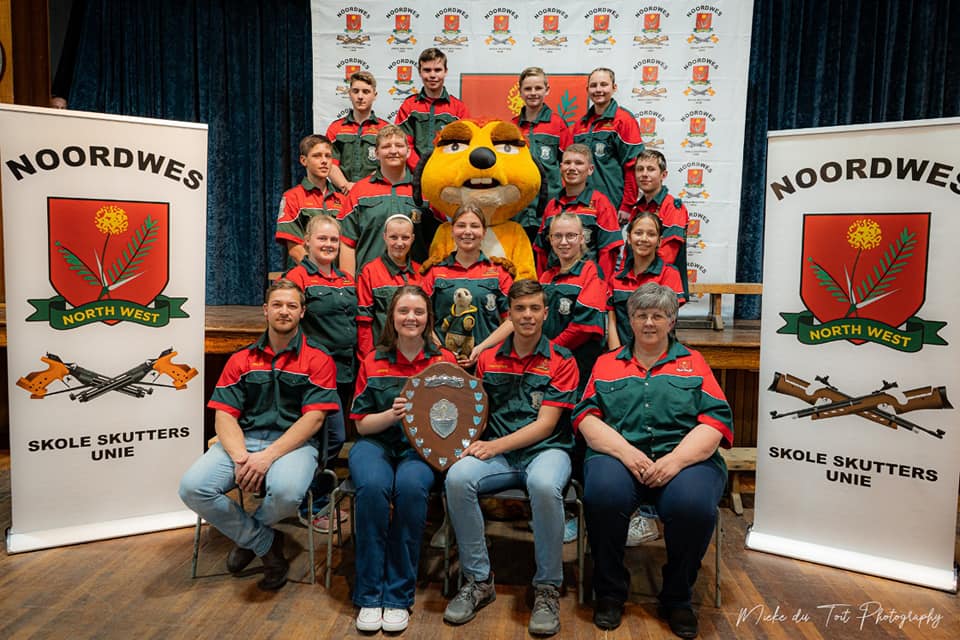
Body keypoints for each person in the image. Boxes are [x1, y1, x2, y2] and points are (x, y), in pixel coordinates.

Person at [574, 282, 733, 637]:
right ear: (630, 319)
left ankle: (677, 597)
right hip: (620, 455)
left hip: (684, 458)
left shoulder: (694, 363)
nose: (649, 323)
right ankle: (610, 592)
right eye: (641, 315)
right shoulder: (606, 364)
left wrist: (675, 461)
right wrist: (627, 453)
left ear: (671, 321)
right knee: (603, 496)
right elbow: (586, 417)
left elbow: (715, 422)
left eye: (658, 316)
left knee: (693, 506)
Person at [178, 279, 339, 591]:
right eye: (277, 305)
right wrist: (242, 458)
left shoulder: (318, 359)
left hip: (294, 444)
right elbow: (224, 414)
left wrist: (265, 458)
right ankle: (264, 541)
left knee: (287, 493)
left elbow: (314, 419)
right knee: (192, 488)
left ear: (302, 312)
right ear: (265, 310)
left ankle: (248, 539)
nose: (284, 311)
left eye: (291, 305)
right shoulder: (241, 359)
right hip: (244, 440)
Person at [443, 280, 578, 637]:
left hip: (547, 450)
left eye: (534, 308)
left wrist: (493, 446)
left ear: (546, 313)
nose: (527, 315)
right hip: (499, 454)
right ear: (509, 315)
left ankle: (547, 587)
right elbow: (477, 412)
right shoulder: (488, 359)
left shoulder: (563, 360)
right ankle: (478, 580)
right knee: (457, 477)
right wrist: (463, 441)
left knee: (544, 485)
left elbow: (546, 425)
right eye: (520, 309)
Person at [349, 286, 458, 632]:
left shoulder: (444, 361)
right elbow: (362, 425)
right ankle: (369, 595)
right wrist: (391, 415)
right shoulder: (373, 360)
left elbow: (458, 418)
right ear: (392, 318)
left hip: (421, 450)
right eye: (404, 311)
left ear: (429, 319)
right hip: (376, 443)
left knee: (411, 489)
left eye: (419, 312)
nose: (411, 318)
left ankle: (397, 596)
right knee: (372, 488)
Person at [284, 215, 357, 531]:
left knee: (331, 438)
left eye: (334, 240)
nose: (329, 244)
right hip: (315, 377)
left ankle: (315, 500)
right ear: (307, 242)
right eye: (322, 239)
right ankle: (309, 504)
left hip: (346, 371)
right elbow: (286, 322)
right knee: (331, 437)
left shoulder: (345, 279)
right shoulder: (297, 277)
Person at [421, 204, 514, 367]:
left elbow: (512, 320)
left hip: (487, 362)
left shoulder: (499, 272)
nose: (468, 231)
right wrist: (443, 352)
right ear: (452, 230)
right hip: (442, 363)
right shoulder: (435, 272)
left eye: (475, 226)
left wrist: (482, 349)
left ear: (484, 232)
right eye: (461, 225)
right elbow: (421, 319)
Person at [338, 124, 434, 276]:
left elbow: (436, 241)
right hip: (369, 283)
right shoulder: (359, 191)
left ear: (408, 151)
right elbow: (347, 243)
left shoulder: (425, 191)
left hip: (416, 282)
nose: (393, 151)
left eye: (399, 146)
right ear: (376, 153)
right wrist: (349, 285)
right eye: (386, 146)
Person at [533, 144, 622, 280]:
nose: (572, 168)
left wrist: (600, 285)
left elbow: (608, 251)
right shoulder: (552, 206)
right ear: (561, 167)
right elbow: (542, 251)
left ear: (590, 169)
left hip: (587, 283)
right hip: (554, 283)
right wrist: (542, 283)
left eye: (579, 163)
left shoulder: (601, 204)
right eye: (567, 163)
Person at [571, 68, 644, 221]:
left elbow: (633, 166)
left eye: (604, 84)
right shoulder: (580, 125)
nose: (598, 90)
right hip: (582, 205)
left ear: (614, 88)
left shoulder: (623, 120)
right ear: (587, 90)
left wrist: (627, 205)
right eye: (594, 85)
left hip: (613, 205)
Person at [608, 212, 686, 351]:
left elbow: (667, 322)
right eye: (638, 233)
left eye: (651, 234)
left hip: (659, 354)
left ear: (659, 241)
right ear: (629, 238)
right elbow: (612, 324)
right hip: (622, 355)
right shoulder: (615, 279)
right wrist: (617, 357)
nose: (644, 239)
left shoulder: (669, 274)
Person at [511, 67, 572, 243]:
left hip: (550, 208)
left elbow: (569, 166)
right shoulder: (512, 127)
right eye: (528, 89)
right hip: (519, 211)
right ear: (520, 92)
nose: (533, 93)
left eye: (538, 88)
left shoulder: (558, 124)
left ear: (547, 90)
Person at [356, 214, 423, 357]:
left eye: (405, 237)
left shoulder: (422, 272)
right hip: (383, 355)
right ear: (384, 237)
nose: (399, 243)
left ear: (412, 238)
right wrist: (367, 359)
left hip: (416, 356)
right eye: (393, 237)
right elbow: (364, 322)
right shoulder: (369, 272)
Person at [623, 149, 689, 290]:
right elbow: (628, 252)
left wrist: (641, 281)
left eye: (651, 169)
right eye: (640, 169)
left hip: (662, 289)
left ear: (663, 175)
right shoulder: (637, 209)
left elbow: (668, 255)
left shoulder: (672, 207)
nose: (644, 174)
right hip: (634, 285)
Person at [275, 134, 344, 266]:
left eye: (328, 156)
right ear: (303, 160)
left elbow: (348, 245)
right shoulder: (293, 197)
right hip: (305, 274)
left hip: (337, 275)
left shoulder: (343, 200)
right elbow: (295, 249)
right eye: (317, 156)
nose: (324, 161)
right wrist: (319, 273)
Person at [395, 47, 469, 163]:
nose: (432, 75)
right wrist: (420, 168)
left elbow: (465, 146)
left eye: (437, 70)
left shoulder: (458, 108)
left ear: (445, 71)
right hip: (415, 171)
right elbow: (402, 143)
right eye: (427, 70)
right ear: (420, 72)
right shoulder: (409, 106)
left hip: (447, 169)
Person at [326, 71, 390, 194]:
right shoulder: (335, 128)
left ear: (375, 95)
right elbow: (330, 163)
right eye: (355, 91)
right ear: (349, 94)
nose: (360, 96)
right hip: (343, 194)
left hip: (374, 193)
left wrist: (361, 187)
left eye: (366, 92)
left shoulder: (385, 129)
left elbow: (387, 164)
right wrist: (345, 186)